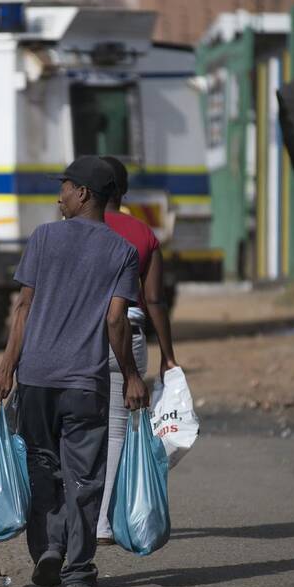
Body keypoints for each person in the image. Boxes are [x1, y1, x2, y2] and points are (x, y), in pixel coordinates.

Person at [0, 155, 149, 587]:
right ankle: (77, 568)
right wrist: (131, 376)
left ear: (85, 194)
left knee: (43, 469)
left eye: (66, 187)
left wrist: (5, 370)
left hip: (35, 379)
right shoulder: (122, 252)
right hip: (84, 383)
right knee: (84, 477)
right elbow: (117, 321)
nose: (60, 197)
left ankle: (48, 553)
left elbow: (23, 310)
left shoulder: (43, 239)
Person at [96, 156, 179, 545]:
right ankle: (102, 523)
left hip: (75, 338)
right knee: (116, 431)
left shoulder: (72, 229)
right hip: (127, 337)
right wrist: (167, 355)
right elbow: (155, 300)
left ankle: (72, 518)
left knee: (75, 429)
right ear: (123, 191)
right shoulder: (142, 234)